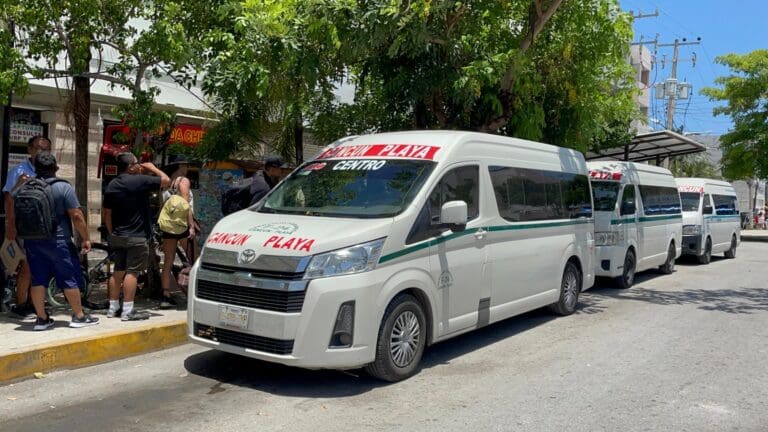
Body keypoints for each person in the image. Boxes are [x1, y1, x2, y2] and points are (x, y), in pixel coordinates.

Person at [21, 152, 99, 330]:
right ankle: (79, 316)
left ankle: (41, 319)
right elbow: (77, 216)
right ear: (56, 168)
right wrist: (86, 238)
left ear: (35, 168)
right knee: (68, 278)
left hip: (33, 241)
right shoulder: (63, 187)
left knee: (38, 280)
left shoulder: (27, 186)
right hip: (59, 241)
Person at [103, 152, 170, 321]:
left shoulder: (112, 185)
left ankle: (112, 308)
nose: (140, 165)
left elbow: (107, 213)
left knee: (118, 271)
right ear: (131, 167)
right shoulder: (139, 180)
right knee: (132, 273)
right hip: (137, 236)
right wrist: (153, 168)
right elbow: (166, 181)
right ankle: (128, 310)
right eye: (136, 163)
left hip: (118, 235)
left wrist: (112, 233)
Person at [3, 135, 51, 320]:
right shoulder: (20, 171)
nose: (42, 152)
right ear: (30, 149)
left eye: (46, 149)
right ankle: (21, 304)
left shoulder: (47, 169)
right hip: (25, 227)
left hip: (43, 226)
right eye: (39, 148)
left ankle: (34, 302)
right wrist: (10, 225)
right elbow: (9, 199)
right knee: (27, 266)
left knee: (40, 266)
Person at [159, 154, 195, 308]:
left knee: (168, 260)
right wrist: (191, 226)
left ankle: (165, 295)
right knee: (194, 258)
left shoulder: (166, 183)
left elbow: (162, 207)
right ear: (181, 166)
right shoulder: (184, 181)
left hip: (168, 227)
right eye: (186, 165)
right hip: (182, 226)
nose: (187, 168)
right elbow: (185, 205)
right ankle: (194, 293)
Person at [220, 155, 288, 216]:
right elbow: (255, 213)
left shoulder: (260, 175)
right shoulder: (264, 188)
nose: (283, 171)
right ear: (271, 169)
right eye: (281, 169)